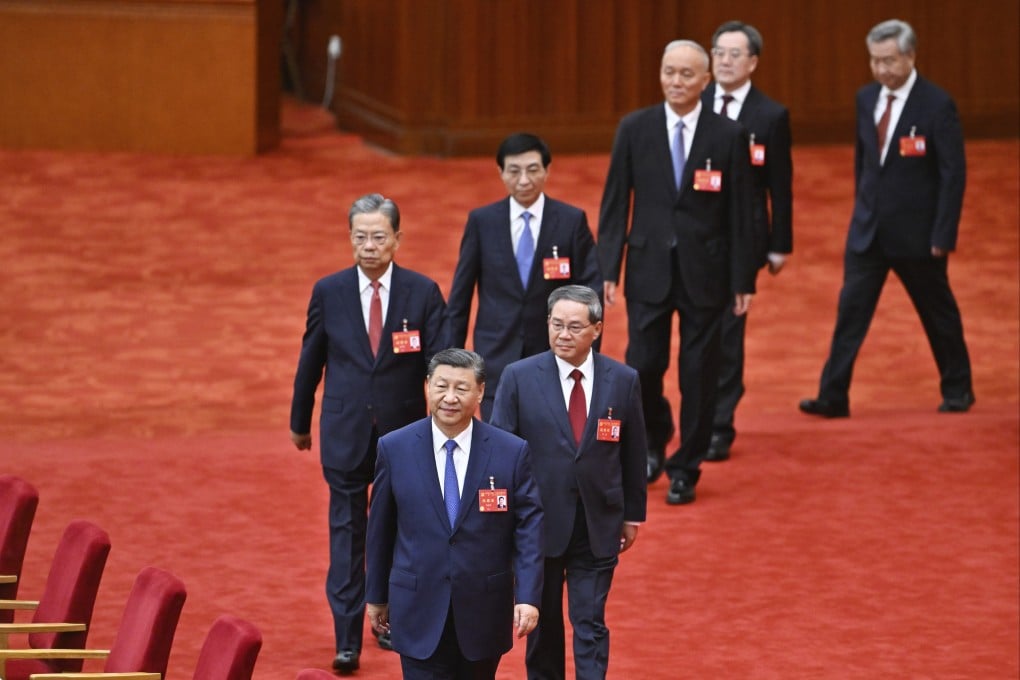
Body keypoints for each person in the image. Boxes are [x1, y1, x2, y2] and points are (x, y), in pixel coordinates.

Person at [289, 193, 447, 674]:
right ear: (349, 238)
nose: (369, 246)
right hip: (344, 431)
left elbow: (441, 365)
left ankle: (391, 621)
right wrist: (300, 421)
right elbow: (311, 359)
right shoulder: (329, 291)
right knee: (347, 534)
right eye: (360, 237)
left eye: (379, 236)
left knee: (400, 530)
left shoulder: (422, 293)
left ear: (398, 238)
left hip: (404, 435)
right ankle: (346, 637)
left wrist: (445, 425)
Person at [597, 40, 756, 505]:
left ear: (706, 81)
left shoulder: (728, 135)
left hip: (706, 272)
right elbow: (615, 202)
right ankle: (651, 442)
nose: (676, 81)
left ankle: (686, 464)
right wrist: (610, 267)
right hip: (647, 266)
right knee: (643, 366)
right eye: (669, 72)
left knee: (699, 373)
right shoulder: (635, 128)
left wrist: (743, 279)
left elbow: (742, 213)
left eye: (687, 74)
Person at [799, 19, 974, 418]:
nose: (882, 70)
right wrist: (863, 210)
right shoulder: (866, 98)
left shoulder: (937, 104)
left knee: (937, 312)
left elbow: (953, 174)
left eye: (890, 61)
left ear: (911, 56)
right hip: (868, 233)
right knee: (850, 314)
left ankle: (959, 388)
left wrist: (943, 234)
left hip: (919, 235)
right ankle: (833, 395)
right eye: (875, 61)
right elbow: (866, 163)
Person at [491, 285, 647, 680]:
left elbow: (632, 452)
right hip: (537, 525)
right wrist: (502, 519)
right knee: (541, 625)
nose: (563, 334)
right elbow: (497, 453)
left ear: (597, 328)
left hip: (598, 522)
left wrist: (633, 515)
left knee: (590, 620)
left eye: (574, 327)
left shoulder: (622, 380)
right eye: (556, 325)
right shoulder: (519, 377)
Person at [365, 348, 544, 680]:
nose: (449, 397)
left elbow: (528, 529)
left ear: (480, 392)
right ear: (428, 386)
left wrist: (529, 596)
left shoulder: (511, 451)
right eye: (441, 386)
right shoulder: (395, 448)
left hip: (483, 612)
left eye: (461, 389)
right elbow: (380, 530)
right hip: (417, 606)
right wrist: (376, 596)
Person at [447, 132, 603, 420]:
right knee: (499, 441)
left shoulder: (571, 221)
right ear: (501, 172)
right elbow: (460, 296)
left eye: (532, 170)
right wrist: (453, 362)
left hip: (555, 354)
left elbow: (590, 290)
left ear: (547, 170)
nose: (523, 180)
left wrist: (589, 354)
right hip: (496, 355)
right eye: (514, 171)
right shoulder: (483, 222)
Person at [701, 20, 794, 462]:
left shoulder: (769, 115)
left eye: (734, 54)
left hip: (743, 242)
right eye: (718, 52)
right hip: (695, 239)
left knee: (727, 333)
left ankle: (720, 424)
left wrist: (779, 244)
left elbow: (781, 184)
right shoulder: (693, 104)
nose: (724, 60)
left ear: (752, 61)